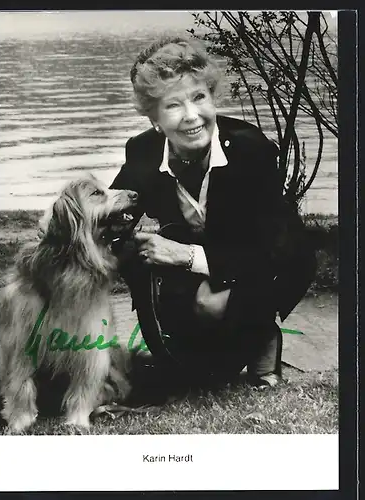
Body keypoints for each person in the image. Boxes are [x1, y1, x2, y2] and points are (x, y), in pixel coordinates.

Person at [110, 36, 316, 387]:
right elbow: (114, 215)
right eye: (173, 105)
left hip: (263, 264)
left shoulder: (250, 150)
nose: (192, 117)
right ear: (154, 118)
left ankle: (264, 335)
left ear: (212, 97)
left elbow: (274, 251)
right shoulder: (142, 151)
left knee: (212, 303)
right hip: (199, 269)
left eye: (199, 98)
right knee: (191, 375)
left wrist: (185, 255)